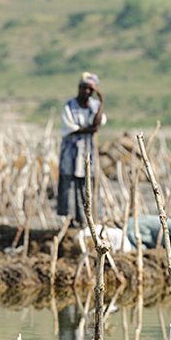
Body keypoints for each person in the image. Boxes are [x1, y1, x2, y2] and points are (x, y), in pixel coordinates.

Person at [56, 72, 107, 227]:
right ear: (79, 88)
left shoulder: (94, 106)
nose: (86, 92)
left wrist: (101, 101)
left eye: (90, 90)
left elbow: (97, 124)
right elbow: (71, 127)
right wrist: (88, 130)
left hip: (88, 152)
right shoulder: (69, 106)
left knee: (88, 183)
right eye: (84, 88)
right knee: (69, 183)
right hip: (71, 152)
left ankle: (87, 220)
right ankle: (70, 219)